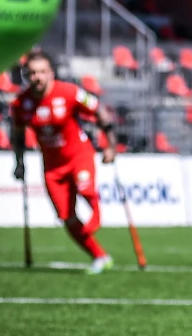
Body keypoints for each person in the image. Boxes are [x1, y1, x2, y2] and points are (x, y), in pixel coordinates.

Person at [10, 49, 118, 274]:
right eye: (32, 73)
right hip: (52, 168)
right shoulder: (21, 104)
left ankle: (96, 214)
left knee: (86, 188)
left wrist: (110, 145)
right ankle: (100, 256)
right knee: (67, 217)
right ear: (26, 76)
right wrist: (19, 162)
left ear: (51, 73)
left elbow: (100, 111)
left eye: (42, 72)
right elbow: (18, 135)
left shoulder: (69, 92)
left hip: (79, 155)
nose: (37, 77)